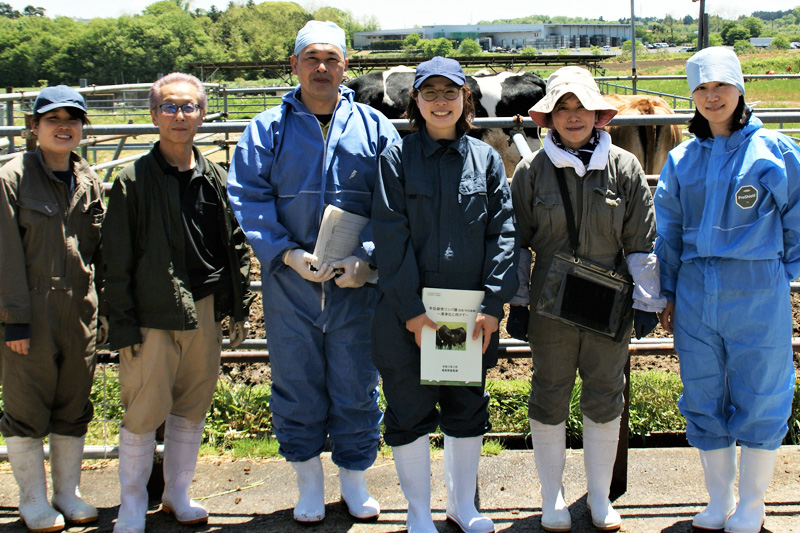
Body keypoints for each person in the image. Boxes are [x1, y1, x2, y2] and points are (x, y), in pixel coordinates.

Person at [226, 21, 399, 524]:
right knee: (296, 381)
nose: (321, 68)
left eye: (331, 59)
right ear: (295, 65)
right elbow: (248, 195)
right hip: (289, 282)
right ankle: (306, 483)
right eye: (311, 59)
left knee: (357, 379)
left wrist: (366, 258)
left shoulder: (374, 127)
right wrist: (284, 252)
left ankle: (354, 480)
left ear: (346, 66)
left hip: (354, 284)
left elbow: (393, 203)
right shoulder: (266, 129)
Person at [509, 66, 665, 532]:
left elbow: (641, 240)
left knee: (604, 394)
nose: (573, 117)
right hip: (550, 304)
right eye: (563, 108)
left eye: (581, 108)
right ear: (549, 117)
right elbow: (516, 242)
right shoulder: (530, 171)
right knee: (549, 393)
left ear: (598, 115)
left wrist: (645, 301)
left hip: (609, 302)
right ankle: (551, 494)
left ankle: (599, 497)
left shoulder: (624, 166)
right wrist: (518, 302)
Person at [654, 47, 800, 533]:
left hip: (757, 286)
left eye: (720, 87)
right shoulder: (682, 159)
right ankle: (720, 501)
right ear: (691, 95)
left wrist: (785, 275)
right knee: (702, 391)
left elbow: (798, 220)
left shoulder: (775, 152)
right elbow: (668, 232)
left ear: (740, 88)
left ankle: (754, 505)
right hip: (696, 291)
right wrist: (669, 291)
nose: (711, 97)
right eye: (701, 88)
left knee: (762, 391)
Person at [371, 56, 519, 533]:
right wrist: (412, 313)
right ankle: (418, 511)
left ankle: (462, 506)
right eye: (429, 93)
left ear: (465, 100)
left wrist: (494, 304)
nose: (440, 101)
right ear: (414, 100)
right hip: (407, 314)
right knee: (409, 406)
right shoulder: (397, 157)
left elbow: (504, 232)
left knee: (465, 404)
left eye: (450, 92)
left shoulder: (486, 158)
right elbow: (389, 236)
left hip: (468, 312)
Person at [102, 72, 253, 533]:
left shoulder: (214, 176)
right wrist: (121, 325)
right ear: (153, 115)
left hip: (204, 306)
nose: (180, 115)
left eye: (188, 107)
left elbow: (234, 242)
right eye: (169, 106)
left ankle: (177, 493)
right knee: (144, 407)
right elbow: (114, 260)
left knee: (192, 403)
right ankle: (132, 501)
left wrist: (238, 305)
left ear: (202, 114)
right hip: (153, 310)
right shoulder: (132, 181)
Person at [0, 85, 103, 533]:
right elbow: (4, 255)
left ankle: (67, 492)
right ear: (33, 126)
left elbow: (98, 249)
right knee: (26, 405)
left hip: (80, 307)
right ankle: (33, 500)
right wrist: (14, 318)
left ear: (83, 127)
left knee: (72, 400)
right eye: (53, 118)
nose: (65, 126)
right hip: (32, 306)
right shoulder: (12, 178)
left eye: (73, 119)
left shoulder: (89, 179)